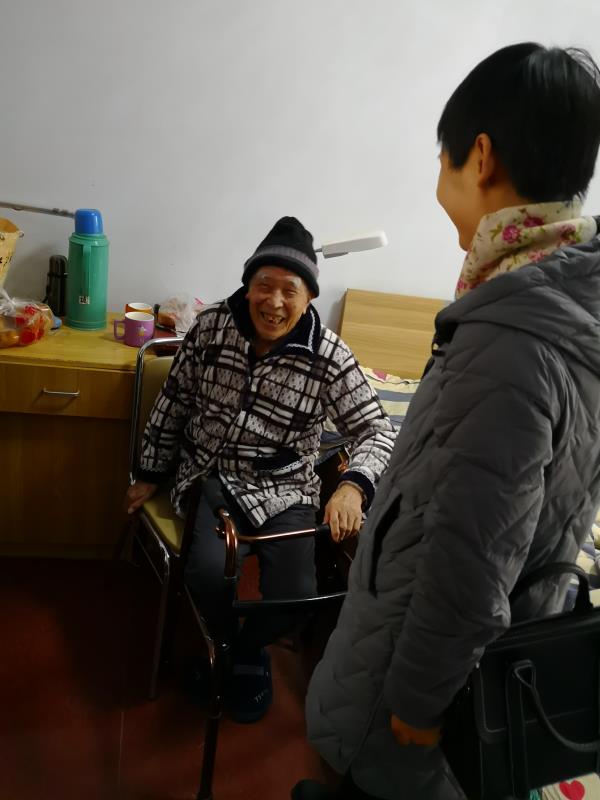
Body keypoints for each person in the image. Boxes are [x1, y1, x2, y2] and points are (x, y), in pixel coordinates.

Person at [295, 43, 600, 800]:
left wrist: (415, 706)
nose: (439, 179)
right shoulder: (563, 301)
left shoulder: (513, 339)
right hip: (501, 644)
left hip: (421, 682)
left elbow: (470, 559)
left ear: (481, 158)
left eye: (443, 158)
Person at [125, 216, 396, 723]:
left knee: (296, 596)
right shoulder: (212, 327)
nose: (274, 302)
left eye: (289, 290)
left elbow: (377, 430)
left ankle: (245, 651)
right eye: (263, 286)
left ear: (309, 298)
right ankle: (227, 645)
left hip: (285, 487)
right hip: (212, 473)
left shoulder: (328, 355)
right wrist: (150, 471)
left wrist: (352, 488)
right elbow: (175, 399)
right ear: (248, 286)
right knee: (207, 575)